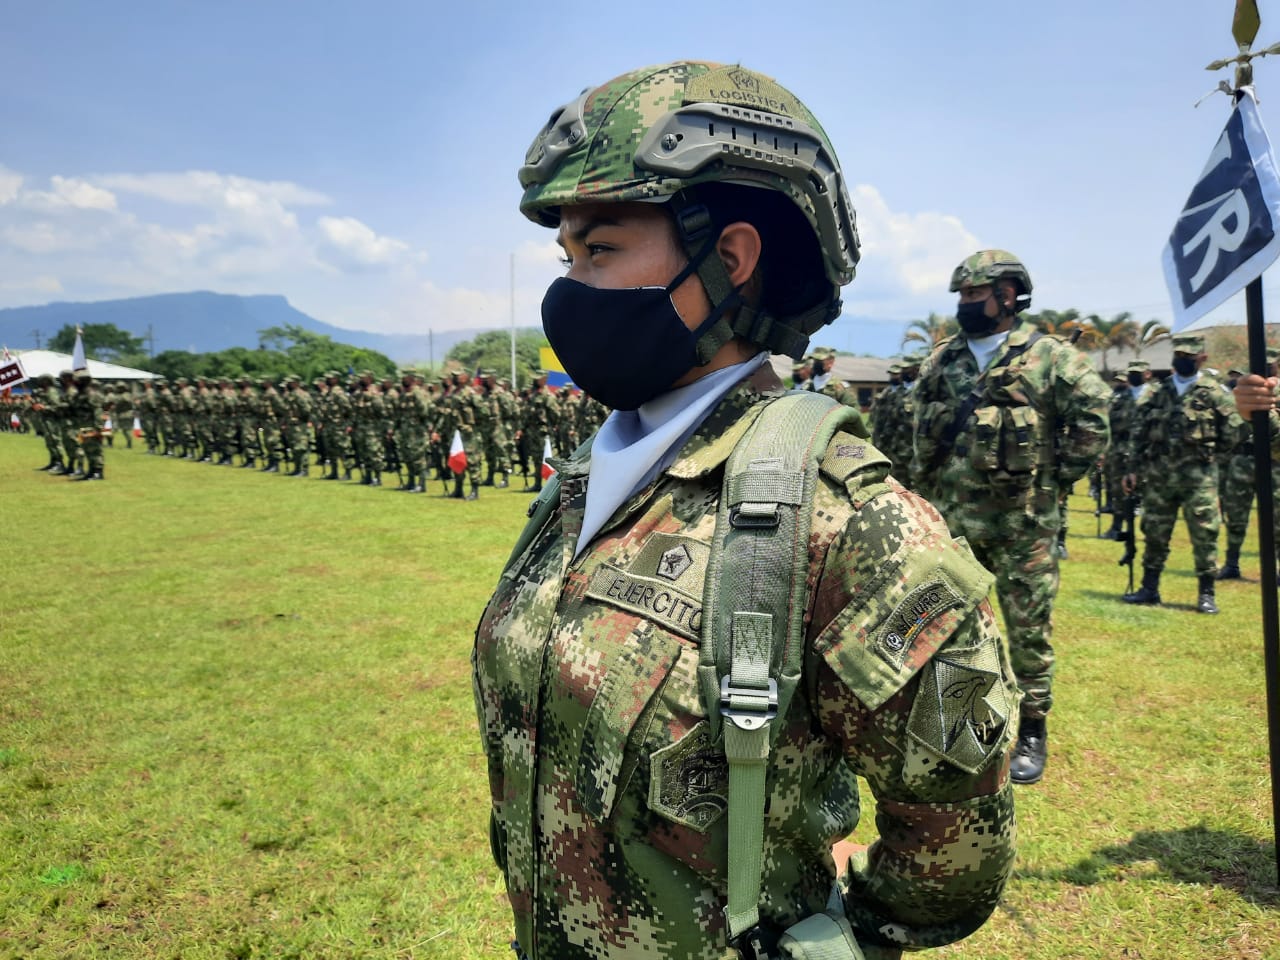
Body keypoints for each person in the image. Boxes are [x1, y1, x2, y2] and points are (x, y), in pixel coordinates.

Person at [473, 61, 1016, 960]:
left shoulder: (852, 523)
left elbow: (957, 849)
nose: (566, 290)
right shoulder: (587, 475)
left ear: (729, 260)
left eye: (600, 250)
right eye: (564, 257)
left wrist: (822, 943)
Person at [911, 249, 1111, 785]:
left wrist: (1055, 481)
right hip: (954, 525)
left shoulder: (1050, 357)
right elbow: (917, 437)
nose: (965, 304)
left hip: (1026, 528)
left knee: (1028, 631)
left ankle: (1032, 729)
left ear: (1008, 296)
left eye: (975, 294)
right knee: (950, 628)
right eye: (961, 295)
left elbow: (1094, 418)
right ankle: (958, 720)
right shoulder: (941, 361)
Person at [1122, 333, 1246, 613]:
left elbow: (1235, 432)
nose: (1183, 361)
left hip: (1199, 480)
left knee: (1205, 535)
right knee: (1154, 533)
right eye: (1179, 356)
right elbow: (1138, 433)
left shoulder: (1214, 393)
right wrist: (1132, 469)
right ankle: (1149, 589)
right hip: (1158, 477)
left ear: (1201, 359)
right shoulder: (1157, 391)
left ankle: (1206, 594)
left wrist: (1211, 458)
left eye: (1189, 358)